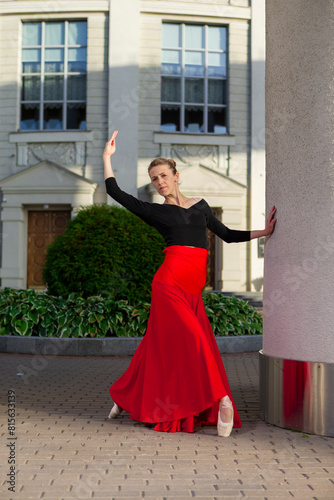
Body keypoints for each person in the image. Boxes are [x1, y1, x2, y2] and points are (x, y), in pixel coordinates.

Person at [103, 131, 277, 436]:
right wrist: (107, 158)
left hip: (193, 291)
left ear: (175, 175)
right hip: (168, 285)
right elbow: (117, 194)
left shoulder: (200, 206)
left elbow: (227, 234)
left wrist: (262, 232)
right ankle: (222, 400)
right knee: (196, 340)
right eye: (154, 178)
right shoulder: (156, 211)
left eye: (163, 175)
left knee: (155, 343)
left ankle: (124, 397)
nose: (159, 182)